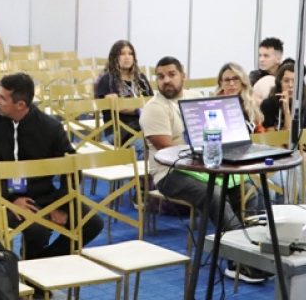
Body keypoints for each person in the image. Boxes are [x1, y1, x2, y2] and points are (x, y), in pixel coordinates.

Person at [140, 56, 267, 283]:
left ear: (183, 76)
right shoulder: (153, 109)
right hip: (171, 173)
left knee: (249, 190)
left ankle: (254, 250)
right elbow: (168, 151)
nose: (166, 80)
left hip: (203, 165)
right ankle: (239, 260)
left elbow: (214, 132)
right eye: (160, 76)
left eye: (171, 75)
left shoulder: (195, 98)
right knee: (215, 195)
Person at [0, 73, 104, 261]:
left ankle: (42, 265)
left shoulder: (50, 127)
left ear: (20, 105)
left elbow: (73, 168)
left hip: (45, 196)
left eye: (2, 97)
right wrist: (11, 199)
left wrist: (61, 203)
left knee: (92, 223)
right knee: (38, 230)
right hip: (5, 196)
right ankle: (35, 277)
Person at [94, 40, 152, 151]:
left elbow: (151, 102)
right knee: (146, 148)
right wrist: (140, 106)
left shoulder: (141, 79)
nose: (127, 57)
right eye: (122, 54)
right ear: (114, 57)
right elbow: (119, 107)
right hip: (120, 130)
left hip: (144, 128)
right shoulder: (107, 80)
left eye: (130, 54)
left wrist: (133, 106)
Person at [259, 61, 306, 134]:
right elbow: (272, 140)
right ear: (279, 84)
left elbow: (295, 140)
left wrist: (287, 111)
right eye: (286, 81)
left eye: (295, 81)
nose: (290, 85)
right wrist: (286, 110)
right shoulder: (268, 105)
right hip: (274, 144)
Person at [214, 62, 264, 133]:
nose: (231, 83)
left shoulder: (250, 102)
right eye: (227, 80)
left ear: (242, 81)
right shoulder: (215, 105)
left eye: (235, 79)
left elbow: (259, 130)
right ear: (221, 83)